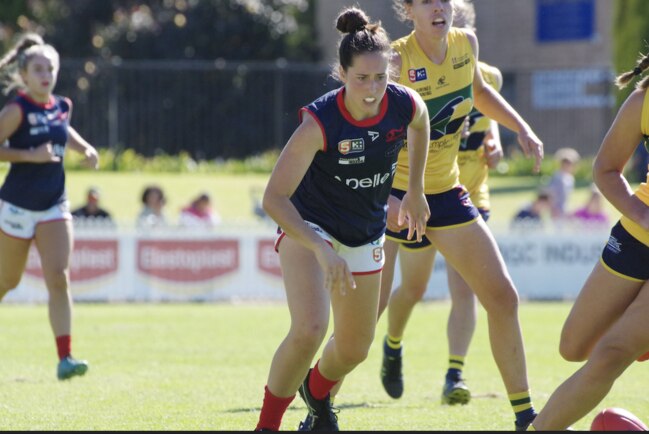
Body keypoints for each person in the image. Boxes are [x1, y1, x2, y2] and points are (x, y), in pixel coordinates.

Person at [254, 6, 431, 431]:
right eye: (361, 79)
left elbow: (421, 124)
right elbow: (274, 198)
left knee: (355, 349)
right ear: (341, 73)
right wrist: (319, 248)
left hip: (364, 231)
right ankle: (266, 426)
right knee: (311, 328)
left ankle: (315, 393)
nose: (372, 90)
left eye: (380, 78)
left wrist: (416, 189)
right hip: (309, 225)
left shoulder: (404, 104)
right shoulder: (321, 121)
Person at [378, 0, 544, 430]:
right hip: (394, 194)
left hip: (446, 194)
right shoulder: (395, 59)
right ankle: (323, 401)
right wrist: (384, 199)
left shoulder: (465, 43)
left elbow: (479, 93)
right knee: (369, 316)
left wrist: (519, 128)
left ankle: (525, 416)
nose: (439, 7)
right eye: (427, 1)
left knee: (502, 297)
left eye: (444, 0)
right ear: (408, 10)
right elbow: (368, 127)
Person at [529, 51, 649, 432]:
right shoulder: (644, 101)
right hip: (637, 237)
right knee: (573, 346)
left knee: (611, 354)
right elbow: (606, 168)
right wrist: (641, 213)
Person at [0, 33, 99, 380]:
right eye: (38, 69)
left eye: (50, 69)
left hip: (54, 205)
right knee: (6, 282)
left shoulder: (61, 105)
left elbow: (64, 131)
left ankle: (65, 358)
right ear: (24, 75)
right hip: (15, 206)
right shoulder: (16, 110)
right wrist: (29, 155)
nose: (45, 75)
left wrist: (85, 149)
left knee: (58, 278)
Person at [547, 147, 581, 221]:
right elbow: (551, 194)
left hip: (564, 208)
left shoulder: (570, 178)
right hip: (556, 209)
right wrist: (553, 208)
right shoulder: (556, 177)